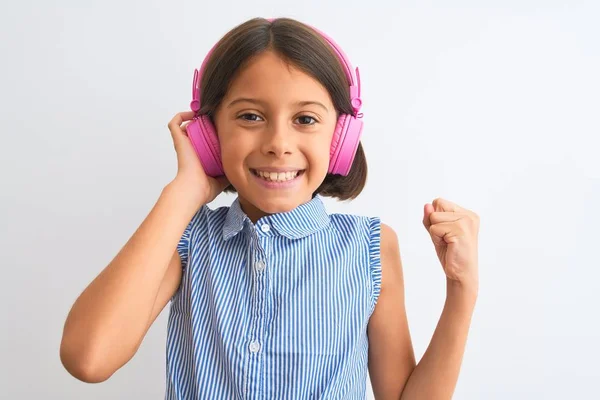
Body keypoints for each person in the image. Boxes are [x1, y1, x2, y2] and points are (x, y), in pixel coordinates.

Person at [60, 16, 480, 400]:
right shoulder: (185, 238)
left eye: (306, 119)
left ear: (341, 137)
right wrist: (184, 191)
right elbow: (89, 358)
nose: (278, 143)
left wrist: (462, 290)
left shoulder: (369, 247)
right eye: (250, 116)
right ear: (209, 133)